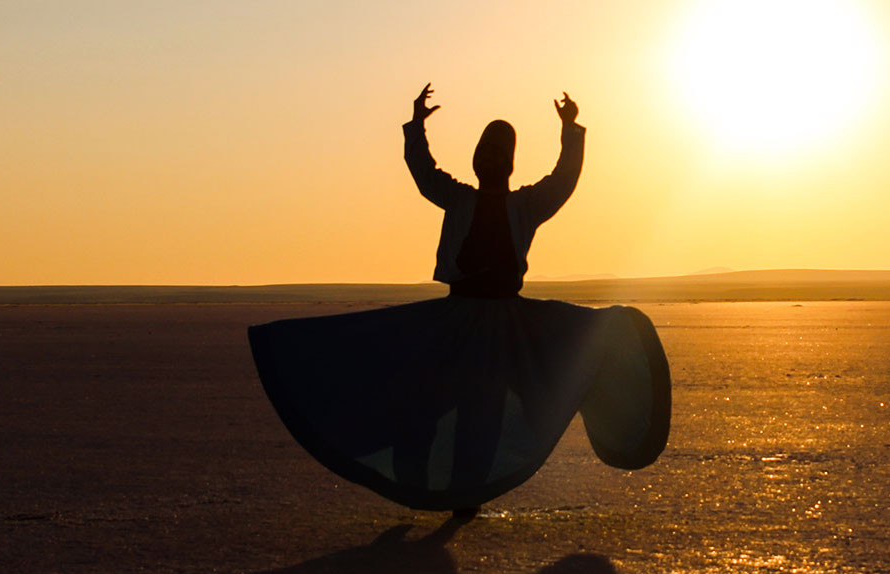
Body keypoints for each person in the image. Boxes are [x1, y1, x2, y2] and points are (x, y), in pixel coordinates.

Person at [247, 84, 671, 512]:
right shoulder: (460, 198)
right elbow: (424, 172)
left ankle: (467, 493)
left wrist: (570, 130)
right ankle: (416, 481)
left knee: (482, 412)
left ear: (507, 164)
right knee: (427, 402)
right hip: (456, 318)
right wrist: (416, 127)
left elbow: (563, 180)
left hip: (505, 322)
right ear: (477, 160)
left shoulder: (524, 206)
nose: (491, 162)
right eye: (486, 154)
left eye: (499, 156)